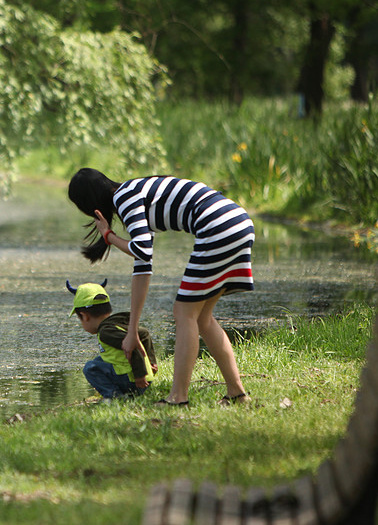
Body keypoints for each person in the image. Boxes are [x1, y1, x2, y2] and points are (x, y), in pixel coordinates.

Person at [67, 169, 255, 406]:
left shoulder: (125, 197)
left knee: (184, 313)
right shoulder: (134, 194)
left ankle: (178, 398)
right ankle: (237, 393)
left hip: (218, 226)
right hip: (237, 221)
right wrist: (132, 330)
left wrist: (109, 236)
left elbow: (141, 249)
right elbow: (142, 267)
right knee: (202, 318)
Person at [68, 280, 157, 400]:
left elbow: (133, 346)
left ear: (85, 316)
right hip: (141, 378)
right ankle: (122, 392)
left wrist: (140, 375)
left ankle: (115, 396)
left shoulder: (106, 332)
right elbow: (144, 333)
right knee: (99, 360)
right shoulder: (118, 323)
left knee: (90, 368)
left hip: (135, 381)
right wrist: (151, 362)